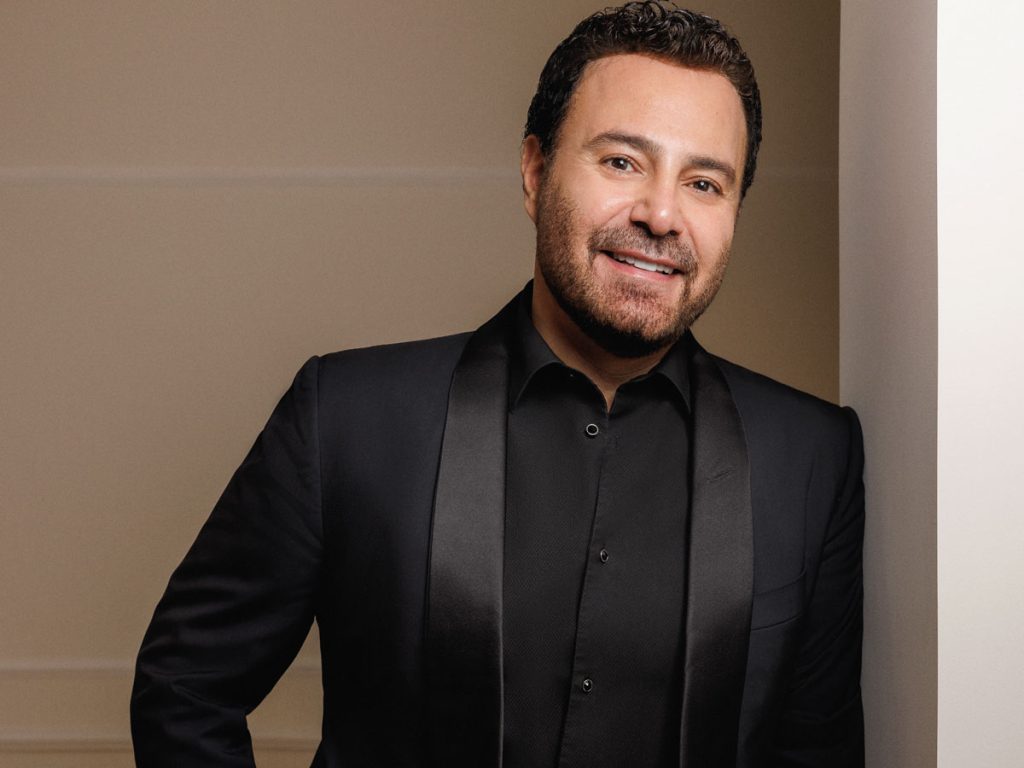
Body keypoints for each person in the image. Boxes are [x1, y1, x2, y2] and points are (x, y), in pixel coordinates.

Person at [131, 3, 865, 766]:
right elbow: (185, 689)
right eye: (622, 162)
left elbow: (820, 752)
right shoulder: (344, 419)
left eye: (705, 183)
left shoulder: (814, 458)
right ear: (535, 173)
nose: (661, 214)